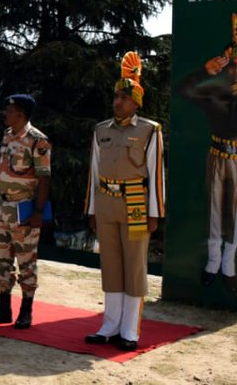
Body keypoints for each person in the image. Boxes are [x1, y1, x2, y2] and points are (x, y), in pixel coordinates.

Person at [175, 14, 237, 293]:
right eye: (232, 64)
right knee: (216, 210)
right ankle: (213, 261)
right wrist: (205, 72)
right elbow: (183, 90)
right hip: (217, 155)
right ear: (225, 67)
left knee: (236, 213)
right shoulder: (214, 91)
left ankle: (229, 263)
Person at [85, 52, 166, 351]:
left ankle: (129, 331)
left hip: (135, 201)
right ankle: (110, 324)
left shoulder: (149, 130)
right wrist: (91, 209)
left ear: (136, 102)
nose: (118, 101)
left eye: (124, 97)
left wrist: (155, 212)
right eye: (116, 96)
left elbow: (157, 175)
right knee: (111, 264)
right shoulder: (101, 130)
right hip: (105, 199)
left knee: (133, 266)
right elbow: (93, 172)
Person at [0, 94, 51, 329]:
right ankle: (3, 308)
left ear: (21, 114)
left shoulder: (37, 140)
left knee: (26, 261)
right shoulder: (8, 136)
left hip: (24, 208)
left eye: (9, 111)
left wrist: (38, 211)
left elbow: (44, 178)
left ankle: (26, 310)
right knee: (3, 260)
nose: (5, 114)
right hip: (4, 207)